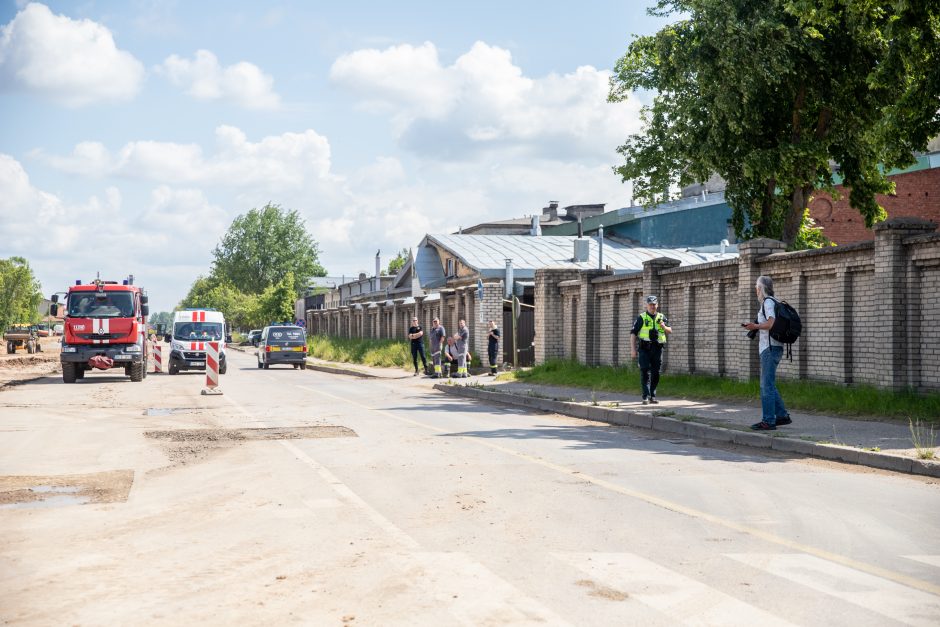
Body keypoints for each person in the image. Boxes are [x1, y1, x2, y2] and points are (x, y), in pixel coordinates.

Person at [744, 276, 792, 430]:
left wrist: (755, 326)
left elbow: (771, 324)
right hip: (772, 348)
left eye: (756, 287)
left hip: (770, 349)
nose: (755, 290)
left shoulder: (768, 302)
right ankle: (782, 416)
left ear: (761, 288)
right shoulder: (774, 300)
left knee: (766, 386)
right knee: (769, 384)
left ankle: (769, 421)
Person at [630, 295, 672, 404]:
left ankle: (653, 395)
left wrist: (664, 327)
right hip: (644, 348)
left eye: (654, 304)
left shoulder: (662, 317)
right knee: (645, 371)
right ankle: (645, 396)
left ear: (657, 305)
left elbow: (669, 330)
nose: (652, 306)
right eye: (650, 304)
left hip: (657, 348)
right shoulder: (642, 317)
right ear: (647, 305)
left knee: (656, 372)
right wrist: (633, 350)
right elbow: (633, 333)